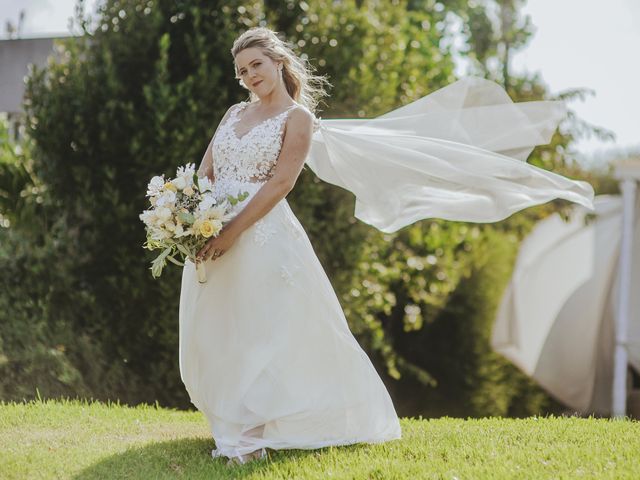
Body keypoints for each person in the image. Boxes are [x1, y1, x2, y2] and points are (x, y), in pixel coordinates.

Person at [179, 26, 402, 467]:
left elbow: (281, 183)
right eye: (242, 71)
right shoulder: (232, 113)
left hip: (261, 235)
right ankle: (230, 423)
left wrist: (232, 230)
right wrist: (187, 217)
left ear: (278, 61)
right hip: (210, 229)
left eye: (256, 65)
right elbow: (205, 170)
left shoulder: (298, 118)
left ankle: (251, 439)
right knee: (220, 330)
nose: (249, 76)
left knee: (264, 332)